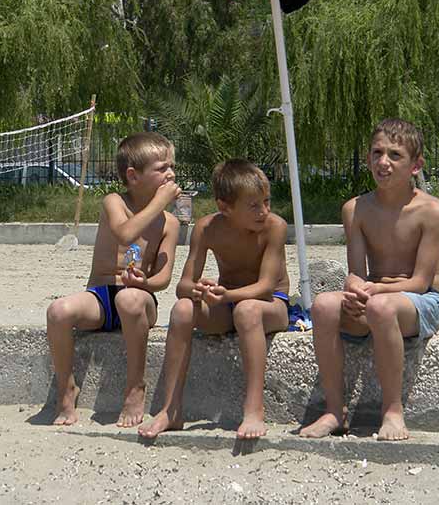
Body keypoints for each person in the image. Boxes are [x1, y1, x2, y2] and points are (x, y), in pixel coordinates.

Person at [300, 118, 439, 441]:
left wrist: (373, 290)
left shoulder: (431, 211)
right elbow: (356, 272)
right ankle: (334, 411)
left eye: (395, 155)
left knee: (380, 307)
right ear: (367, 158)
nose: (384, 162)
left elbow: (421, 282)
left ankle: (392, 411)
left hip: (417, 303)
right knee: (324, 305)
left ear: (415, 165)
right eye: (377, 153)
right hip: (374, 296)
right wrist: (354, 287)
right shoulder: (355, 209)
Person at [139, 160, 289, 440]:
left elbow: (267, 286)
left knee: (247, 311)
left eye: (266, 202)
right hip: (228, 303)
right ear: (225, 207)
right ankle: (171, 409)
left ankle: (254, 407)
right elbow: (183, 285)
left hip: (271, 306)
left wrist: (227, 295)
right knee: (183, 309)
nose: (264, 211)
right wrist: (199, 290)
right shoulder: (207, 228)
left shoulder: (274, 227)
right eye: (254, 205)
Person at [46, 132, 180, 427]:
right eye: (161, 168)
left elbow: (164, 279)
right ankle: (66, 388)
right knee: (57, 312)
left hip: (139, 301)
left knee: (128, 298)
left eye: (171, 166)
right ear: (133, 176)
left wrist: (144, 282)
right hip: (102, 297)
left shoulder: (170, 222)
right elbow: (125, 233)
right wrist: (160, 202)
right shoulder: (114, 202)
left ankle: (135, 386)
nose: (170, 174)